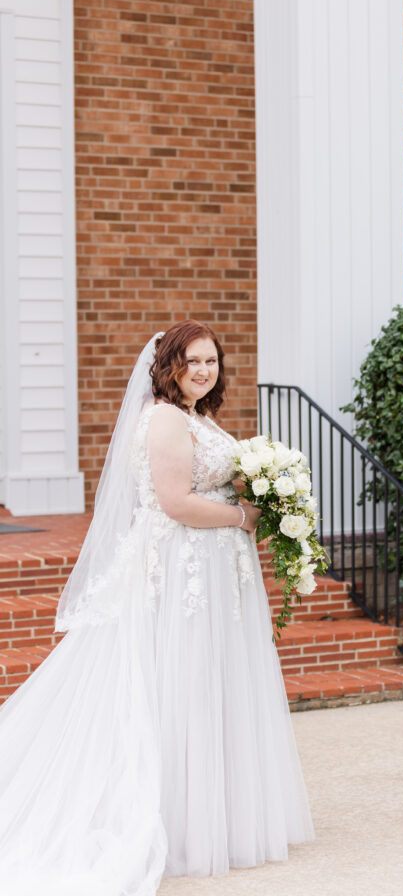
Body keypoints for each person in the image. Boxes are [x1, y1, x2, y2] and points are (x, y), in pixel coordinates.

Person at [0, 320, 313, 895]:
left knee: (212, 682)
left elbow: (213, 484)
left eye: (211, 362)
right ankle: (181, 826)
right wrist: (248, 517)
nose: (202, 370)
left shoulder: (199, 417)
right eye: (191, 361)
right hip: (181, 569)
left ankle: (214, 816)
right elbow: (175, 503)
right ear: (167, 364)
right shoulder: (167, 418)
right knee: (181, 681)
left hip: (217, 570)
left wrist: (269, 490)